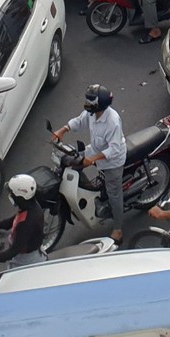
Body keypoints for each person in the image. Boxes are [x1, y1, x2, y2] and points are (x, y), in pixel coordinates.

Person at [54, 84, 127, 237]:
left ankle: (118, 228)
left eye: (90, 101)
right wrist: (63, 129)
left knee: (114, 195)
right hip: (94, 151)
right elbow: (79, 121)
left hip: (112, 162)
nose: (86, 104)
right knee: (72, 161)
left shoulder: (112, 122)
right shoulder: (92, 113)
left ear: (99, 104)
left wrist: (93, 159)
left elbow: (114, 149)